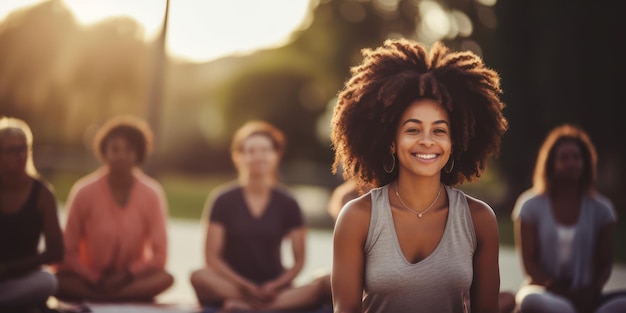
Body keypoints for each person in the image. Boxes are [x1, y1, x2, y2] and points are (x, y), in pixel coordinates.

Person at [329, 38, 509, 313]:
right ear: (391, 141)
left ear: (455, 142)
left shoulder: (479, 220)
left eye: (439, 131)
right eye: (413, 130)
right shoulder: (357, 217)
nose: (427, 141)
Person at [190, 120, 331, 312]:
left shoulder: (288, 202)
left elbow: (299, 262)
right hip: (233, 286)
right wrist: (245, 286)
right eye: (251, 151)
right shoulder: (222, 199)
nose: (258, 156)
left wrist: (275, 286)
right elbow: (212, 258)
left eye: (265, 150)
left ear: (276, 155)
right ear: (238, 157)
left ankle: (249, 308)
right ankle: (266, 307)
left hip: (275, 289)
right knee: (199, 276)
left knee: (326, 283)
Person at [54, 115, 174, 303]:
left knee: (165, 278)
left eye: (128, 150)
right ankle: (111, 296)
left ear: (138, 154)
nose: (121, 156)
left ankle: (105, 297)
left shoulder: (152, 193)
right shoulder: (84, 191)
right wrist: (93, 277)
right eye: (115, 149)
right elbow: (67, 251)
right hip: (87, 278)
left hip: (130, 279)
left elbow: (160, 255)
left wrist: (128, 273)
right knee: (55, 279)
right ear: (104, 151)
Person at [512, 124, 626, 313]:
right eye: (564, 158)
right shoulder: (529, 205)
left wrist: (591, 292)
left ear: (585, 163)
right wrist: (560, 290)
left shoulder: (602, 210)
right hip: (545, 293)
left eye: (576, 157)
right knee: (531, 301)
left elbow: (605, 264)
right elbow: (530, 264)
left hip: (588, 296)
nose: (571, 162)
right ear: (551, 164)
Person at [0, 116, 64, 311]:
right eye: (12, 150)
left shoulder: (42, 193)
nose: (20, 156)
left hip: (22, 277)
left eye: (24, 148)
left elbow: (57, 251)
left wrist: (11, 268)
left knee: (48, 281)